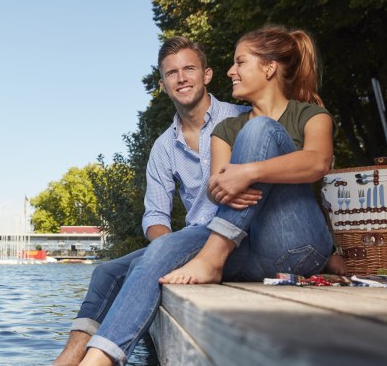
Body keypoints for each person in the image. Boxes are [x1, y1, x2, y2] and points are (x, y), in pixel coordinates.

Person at [78, 26, 334, 366]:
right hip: (243, 247)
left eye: (239, 62)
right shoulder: (222, 132)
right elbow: (218, 188)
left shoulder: (307, 114)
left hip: (293, 242)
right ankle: (97, 360)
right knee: (160, 247)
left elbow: (317, 162)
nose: (232, 71)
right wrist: (227, 183)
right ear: (163, 83)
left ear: (269, 68)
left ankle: (211, 259)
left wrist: (248, 172)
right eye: (172, 73)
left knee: (259, 130)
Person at [53, 36, 250, 366]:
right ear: (163, 85)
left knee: (156, 255)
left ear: (207, 74)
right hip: (190, 239)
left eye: (189, 68)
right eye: (172, 73)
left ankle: (102, 360)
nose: (181, 78)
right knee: (105, 273)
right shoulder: (163, 147)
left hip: (236, 237)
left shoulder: (241, 118)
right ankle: (66, 359)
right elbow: (156, 215)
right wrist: (166, 248)